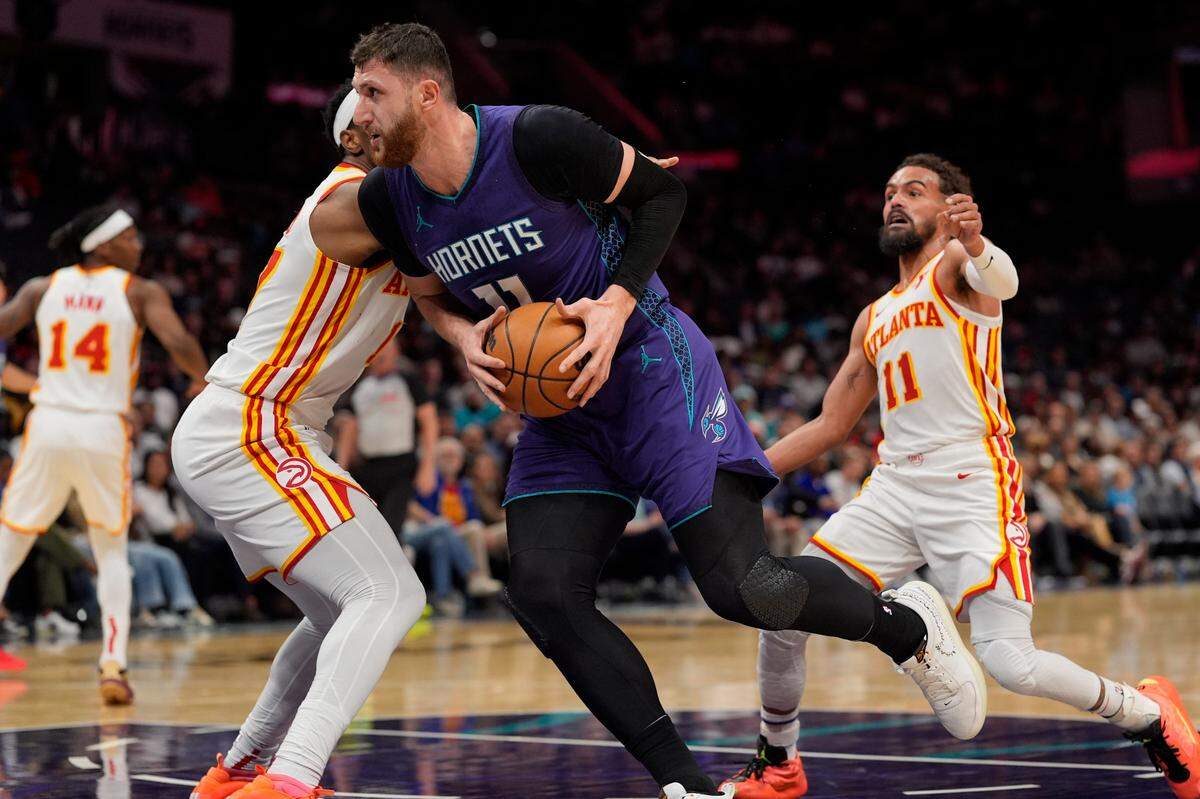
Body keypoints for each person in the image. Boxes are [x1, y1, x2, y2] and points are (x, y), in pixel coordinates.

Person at [347, 24, 986, 798]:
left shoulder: (537, 137)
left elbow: (665, 192)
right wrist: (459, 336)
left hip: (650, 367)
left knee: (742, 587)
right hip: (563, 415)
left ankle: (907, 628)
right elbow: (423, 292)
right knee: (544, 593)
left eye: (372, 92)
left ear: (427, 92)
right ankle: (683, 782)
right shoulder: (386, 197)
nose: (358, 111)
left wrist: (616, 304)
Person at [722, 155, 1198, 799]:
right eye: (889, 192)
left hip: (972, 478)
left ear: (951, 208)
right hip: (894, 488)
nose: (895, 201)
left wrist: (976, 241)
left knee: (1010, 662)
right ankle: (780, 763)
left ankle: (1147, 715)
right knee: (783, 609)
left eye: (913, 192)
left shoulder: (957, 270)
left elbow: (1003, 281)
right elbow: (831, 423)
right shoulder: (874, 316)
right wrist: (736, 476)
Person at [178, 82, 425, 799]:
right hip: (254, 422)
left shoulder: (390, 209)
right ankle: (292, 778)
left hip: (262, 425)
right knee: (389, 594)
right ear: (357, 138)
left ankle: (240, 768)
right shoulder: (352, 198)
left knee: (333, 612)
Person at [0, 204, 209, 700]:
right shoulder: (138, 291)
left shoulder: (40, 288)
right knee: (110, 549)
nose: (139, 246)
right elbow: (178, 340)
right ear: (101, 244)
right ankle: (113, 665)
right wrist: (201, 378)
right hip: (102, 430)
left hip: (48, 422)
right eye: (131, 237)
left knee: (11, 537)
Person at [335, 337, 437, 537]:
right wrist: (341, 470)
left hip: (401, 467)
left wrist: (428, 466)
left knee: (391, 529)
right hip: (367, 467)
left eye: (388, 348)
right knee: (366, 530)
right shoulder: (359, 386)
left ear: (396, 352)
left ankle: (397, 566)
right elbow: (350, 428)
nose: (382, 353)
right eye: (378, 348)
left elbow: (429, 421)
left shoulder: (408, 380)